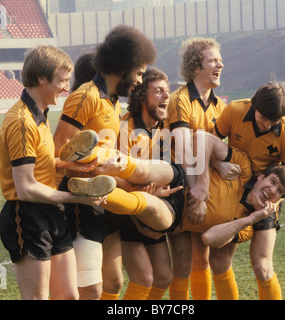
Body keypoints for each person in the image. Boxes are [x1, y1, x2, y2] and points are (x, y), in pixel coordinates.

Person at [53, 25, 175, 300]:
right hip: (80, 205)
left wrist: (133, 187)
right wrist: (89, 171)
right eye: (140, 73)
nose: (140, 81)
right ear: (124, 65)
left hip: (105, 201)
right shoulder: (86, 96)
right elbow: (60, 152)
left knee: (113, 282)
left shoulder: (112, 104)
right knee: (88, 290)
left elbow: (108, 163)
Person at [0, 45, 111, 300]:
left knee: (69, 296)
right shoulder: (22, 122)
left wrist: (68, 165)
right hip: (26, 216)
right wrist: (79, 198)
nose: (66, 88)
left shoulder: (40, 114)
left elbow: (39, 164)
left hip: (51, 211)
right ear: (41, 78)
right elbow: (26, 187)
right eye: (62, 80)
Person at [190, 81, 285, 299]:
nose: (267, 125)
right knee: (219, 262)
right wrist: (219, 164)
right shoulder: (235, 110)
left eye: (273, 121)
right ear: (254, 105)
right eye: (263, 118)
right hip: (233, 191)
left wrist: (269, 207)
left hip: (268, 196)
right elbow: (210, 142)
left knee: (262, 266)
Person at [110, 67, 185, 300]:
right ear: (142, 96)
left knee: (164, 276)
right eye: (158, 91)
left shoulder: (166, 128)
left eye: (168, 91)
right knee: (143, 277)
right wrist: (140, 209)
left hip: (151, 209)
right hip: (125, 213)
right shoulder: (125, 127)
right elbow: (115, 176)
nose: (166, 96)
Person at [165, 37, 231, 300]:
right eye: (213, 60)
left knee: (203, 259)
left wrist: (217, 165)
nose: (220, 64)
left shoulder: (221, 106)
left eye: (220, 59)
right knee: (182, 264)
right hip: (182, 188)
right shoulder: (180, 100)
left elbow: (216, 150)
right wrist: (196, 195)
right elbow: (182, 152)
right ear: (195, 68)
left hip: (205, 190)